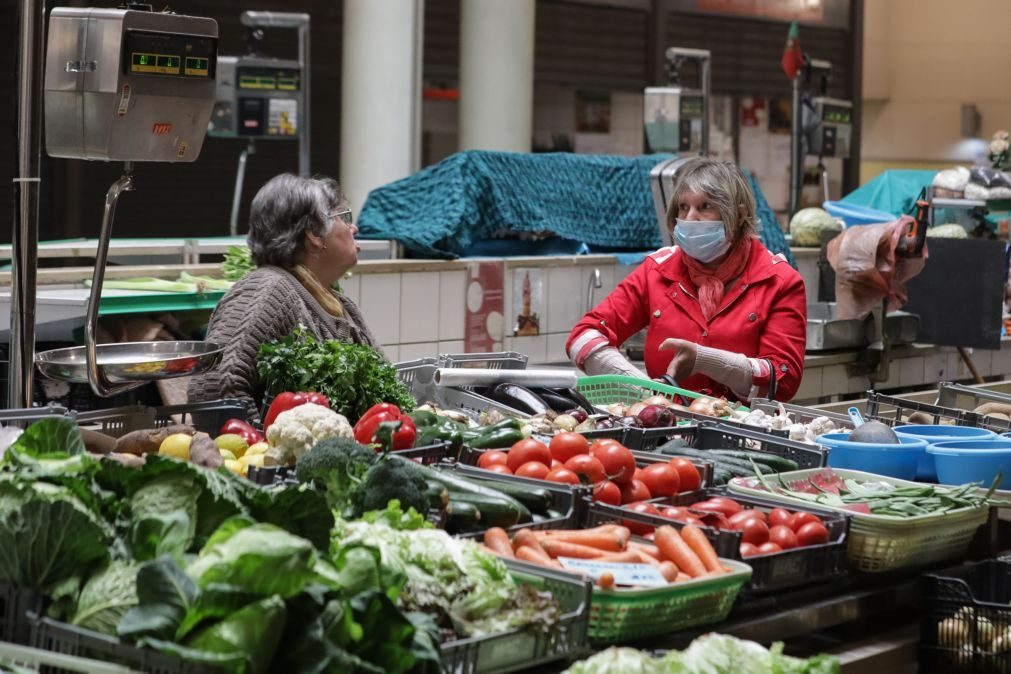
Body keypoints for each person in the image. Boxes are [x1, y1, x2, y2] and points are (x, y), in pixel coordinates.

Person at [566, 158, 806, 402]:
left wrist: (705, 360)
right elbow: (584, 336)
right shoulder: (658, 271)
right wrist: (643, 392)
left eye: (704, 206)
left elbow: (783, 380)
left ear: (738, 214)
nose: (690, 218)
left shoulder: (780, 281)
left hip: (743, 431)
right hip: (662, 426)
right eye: (683, 207)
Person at [188, 174, 380, 420]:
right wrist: (265, 447)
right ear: (314, 234)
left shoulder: (341, 305)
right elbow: (213, 386)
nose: (354, 228)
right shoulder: (267, 291)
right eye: (343, 217)